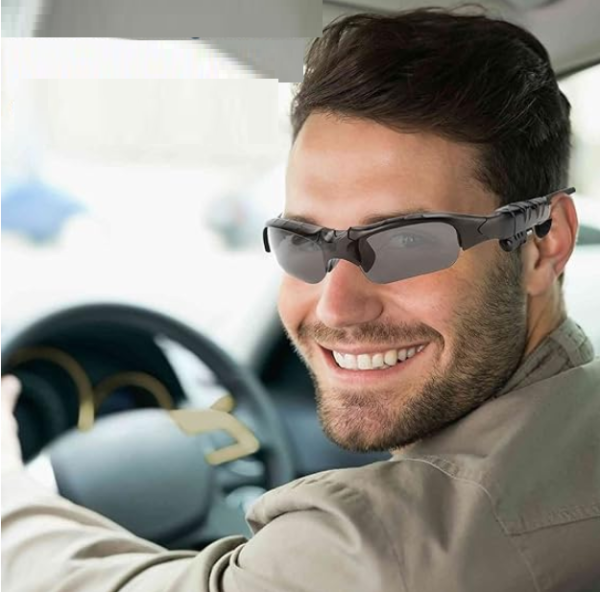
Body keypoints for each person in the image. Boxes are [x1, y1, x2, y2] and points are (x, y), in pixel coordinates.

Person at [2, 7, 599, 591]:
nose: (336, 306)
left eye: (406, 242)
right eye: (304, 242)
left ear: (544, 243)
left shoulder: (384, 550)